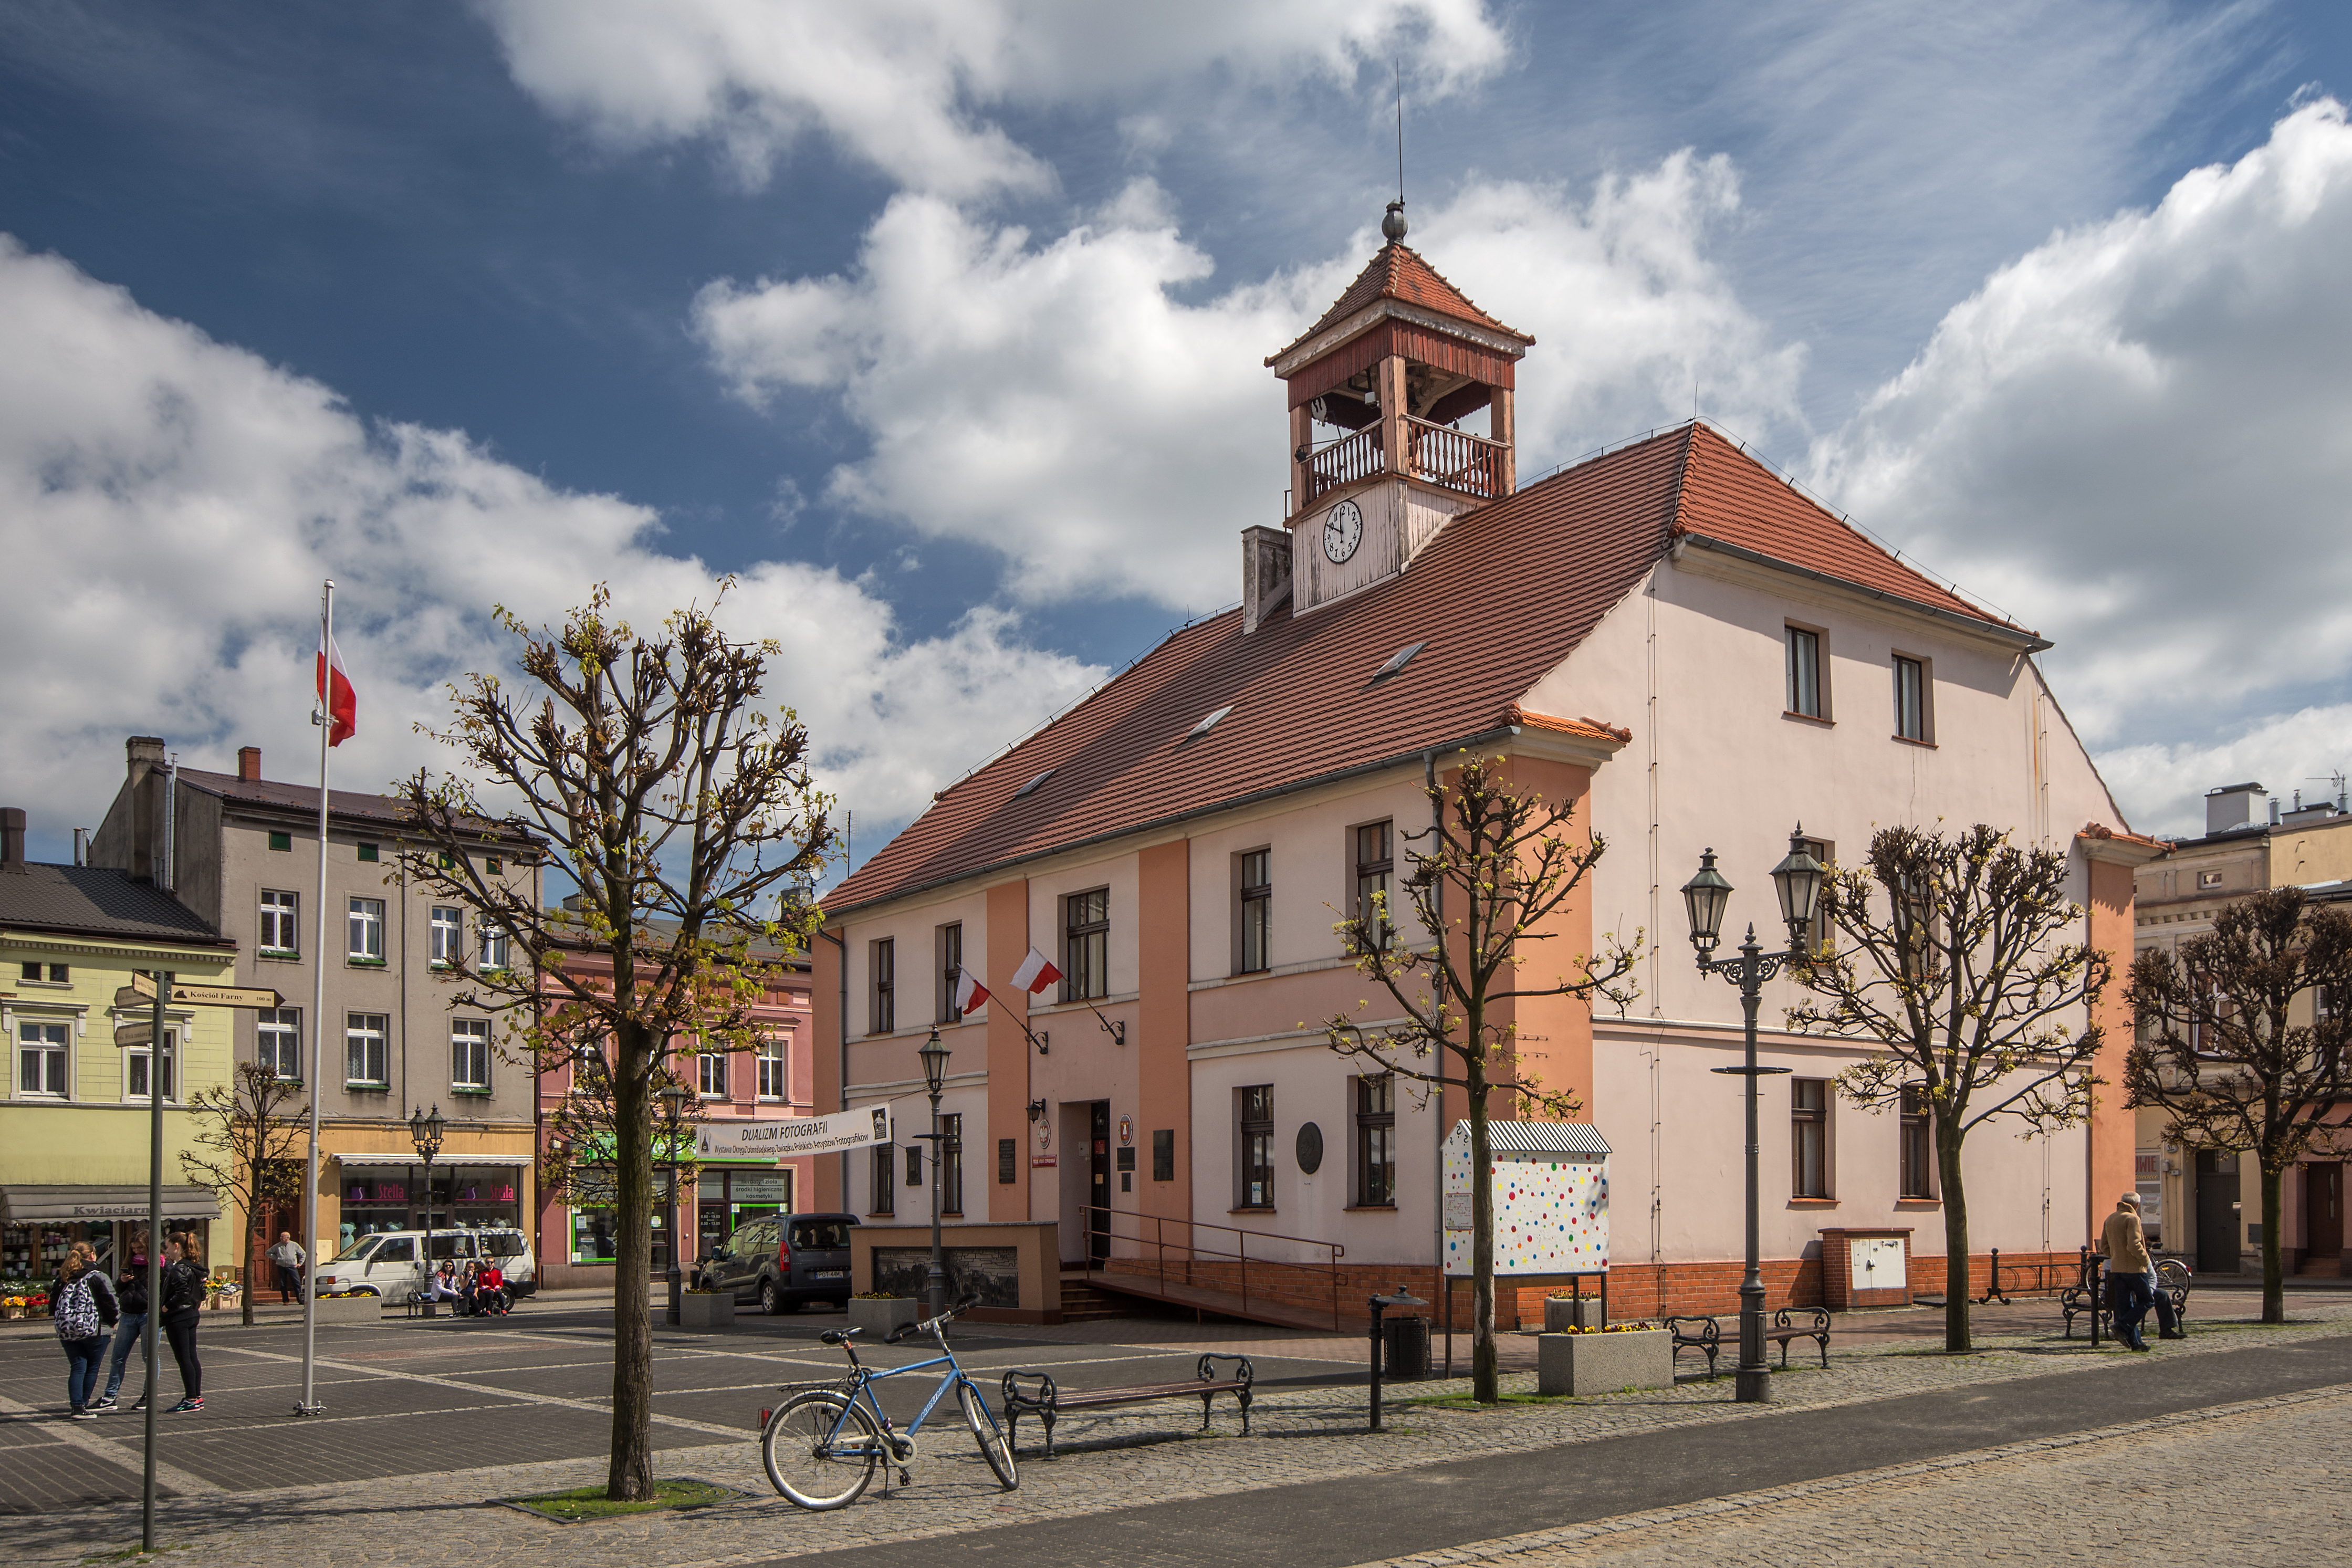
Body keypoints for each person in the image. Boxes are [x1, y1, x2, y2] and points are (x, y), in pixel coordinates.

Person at [51, 1242, 120, 1419]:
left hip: (67, 1330)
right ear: (92, 1255)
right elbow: (110, 1302)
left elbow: (53, 1305)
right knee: (92, 1368)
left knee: (77, 1366)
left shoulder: (63, 1277)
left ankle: (76, 1406)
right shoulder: (97, 1276)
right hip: (95, 1329)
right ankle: (82, 1405)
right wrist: (113, 1322)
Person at [2098, 1191, 2158, 1352]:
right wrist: (2145, 1260)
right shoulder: (2132, 1219)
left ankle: (2136, 1343)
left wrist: (2116, 1256)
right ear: (2136, 1205)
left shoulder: (2110, 1218)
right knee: (2147, 1301)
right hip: (2134, 1269)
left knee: (2125, 1306)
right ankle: (2122, 1326)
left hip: (2117, 1268)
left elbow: (2104, 1246)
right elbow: (2134, 1244)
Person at [97, 1234, 151, 1412]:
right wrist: (122, 1281)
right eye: (134, 1248)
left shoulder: (159, 1264)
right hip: (128, 1314)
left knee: (148, 1357)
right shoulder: (129, 1263)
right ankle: (110, 1397)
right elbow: (118, 1290)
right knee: (117, 1358)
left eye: (140, 1248)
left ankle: (148, 1395)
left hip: (147, 1315)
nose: (136, 1252)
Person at [158, 1237, 208, 1412]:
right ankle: (196, 1396)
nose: (166, 1251)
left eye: (167, 1247)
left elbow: (181, 1292)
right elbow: (202, 1293)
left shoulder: (179, 1269)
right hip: (192, 1314)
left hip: (178, 1316)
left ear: (176, 1246)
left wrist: (166, 1307)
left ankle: (191, 1398)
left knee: (184, 1358)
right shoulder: (194, 1267)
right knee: (191, 1356)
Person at [268, 1231, 307, 1304]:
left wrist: (300, 1264)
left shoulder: (294, 1245)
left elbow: (303, 1254)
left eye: (282, 1237)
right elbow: (268, 1252)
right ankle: (285, 1300)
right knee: (283, 1284)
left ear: (288, 1238)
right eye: (281, 1236)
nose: (281, 1238)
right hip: (281, 1266)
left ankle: (300, 1300)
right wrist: (276, 1258)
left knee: (297, 1283)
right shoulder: (278, 1246)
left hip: (292, 1266)